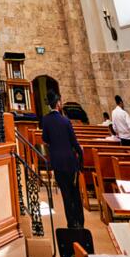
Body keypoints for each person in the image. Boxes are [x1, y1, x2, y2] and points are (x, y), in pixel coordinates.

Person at [41, 90, 84, 229]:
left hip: (57, 162)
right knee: (75, 192)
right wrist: (80, 153)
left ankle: (71, 222)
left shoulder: (46, 119)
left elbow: (45, 139)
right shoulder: (65, 120)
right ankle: (79, 221)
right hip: (70, 162)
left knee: (65, 194)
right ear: (58, 104)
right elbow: (74, 141)